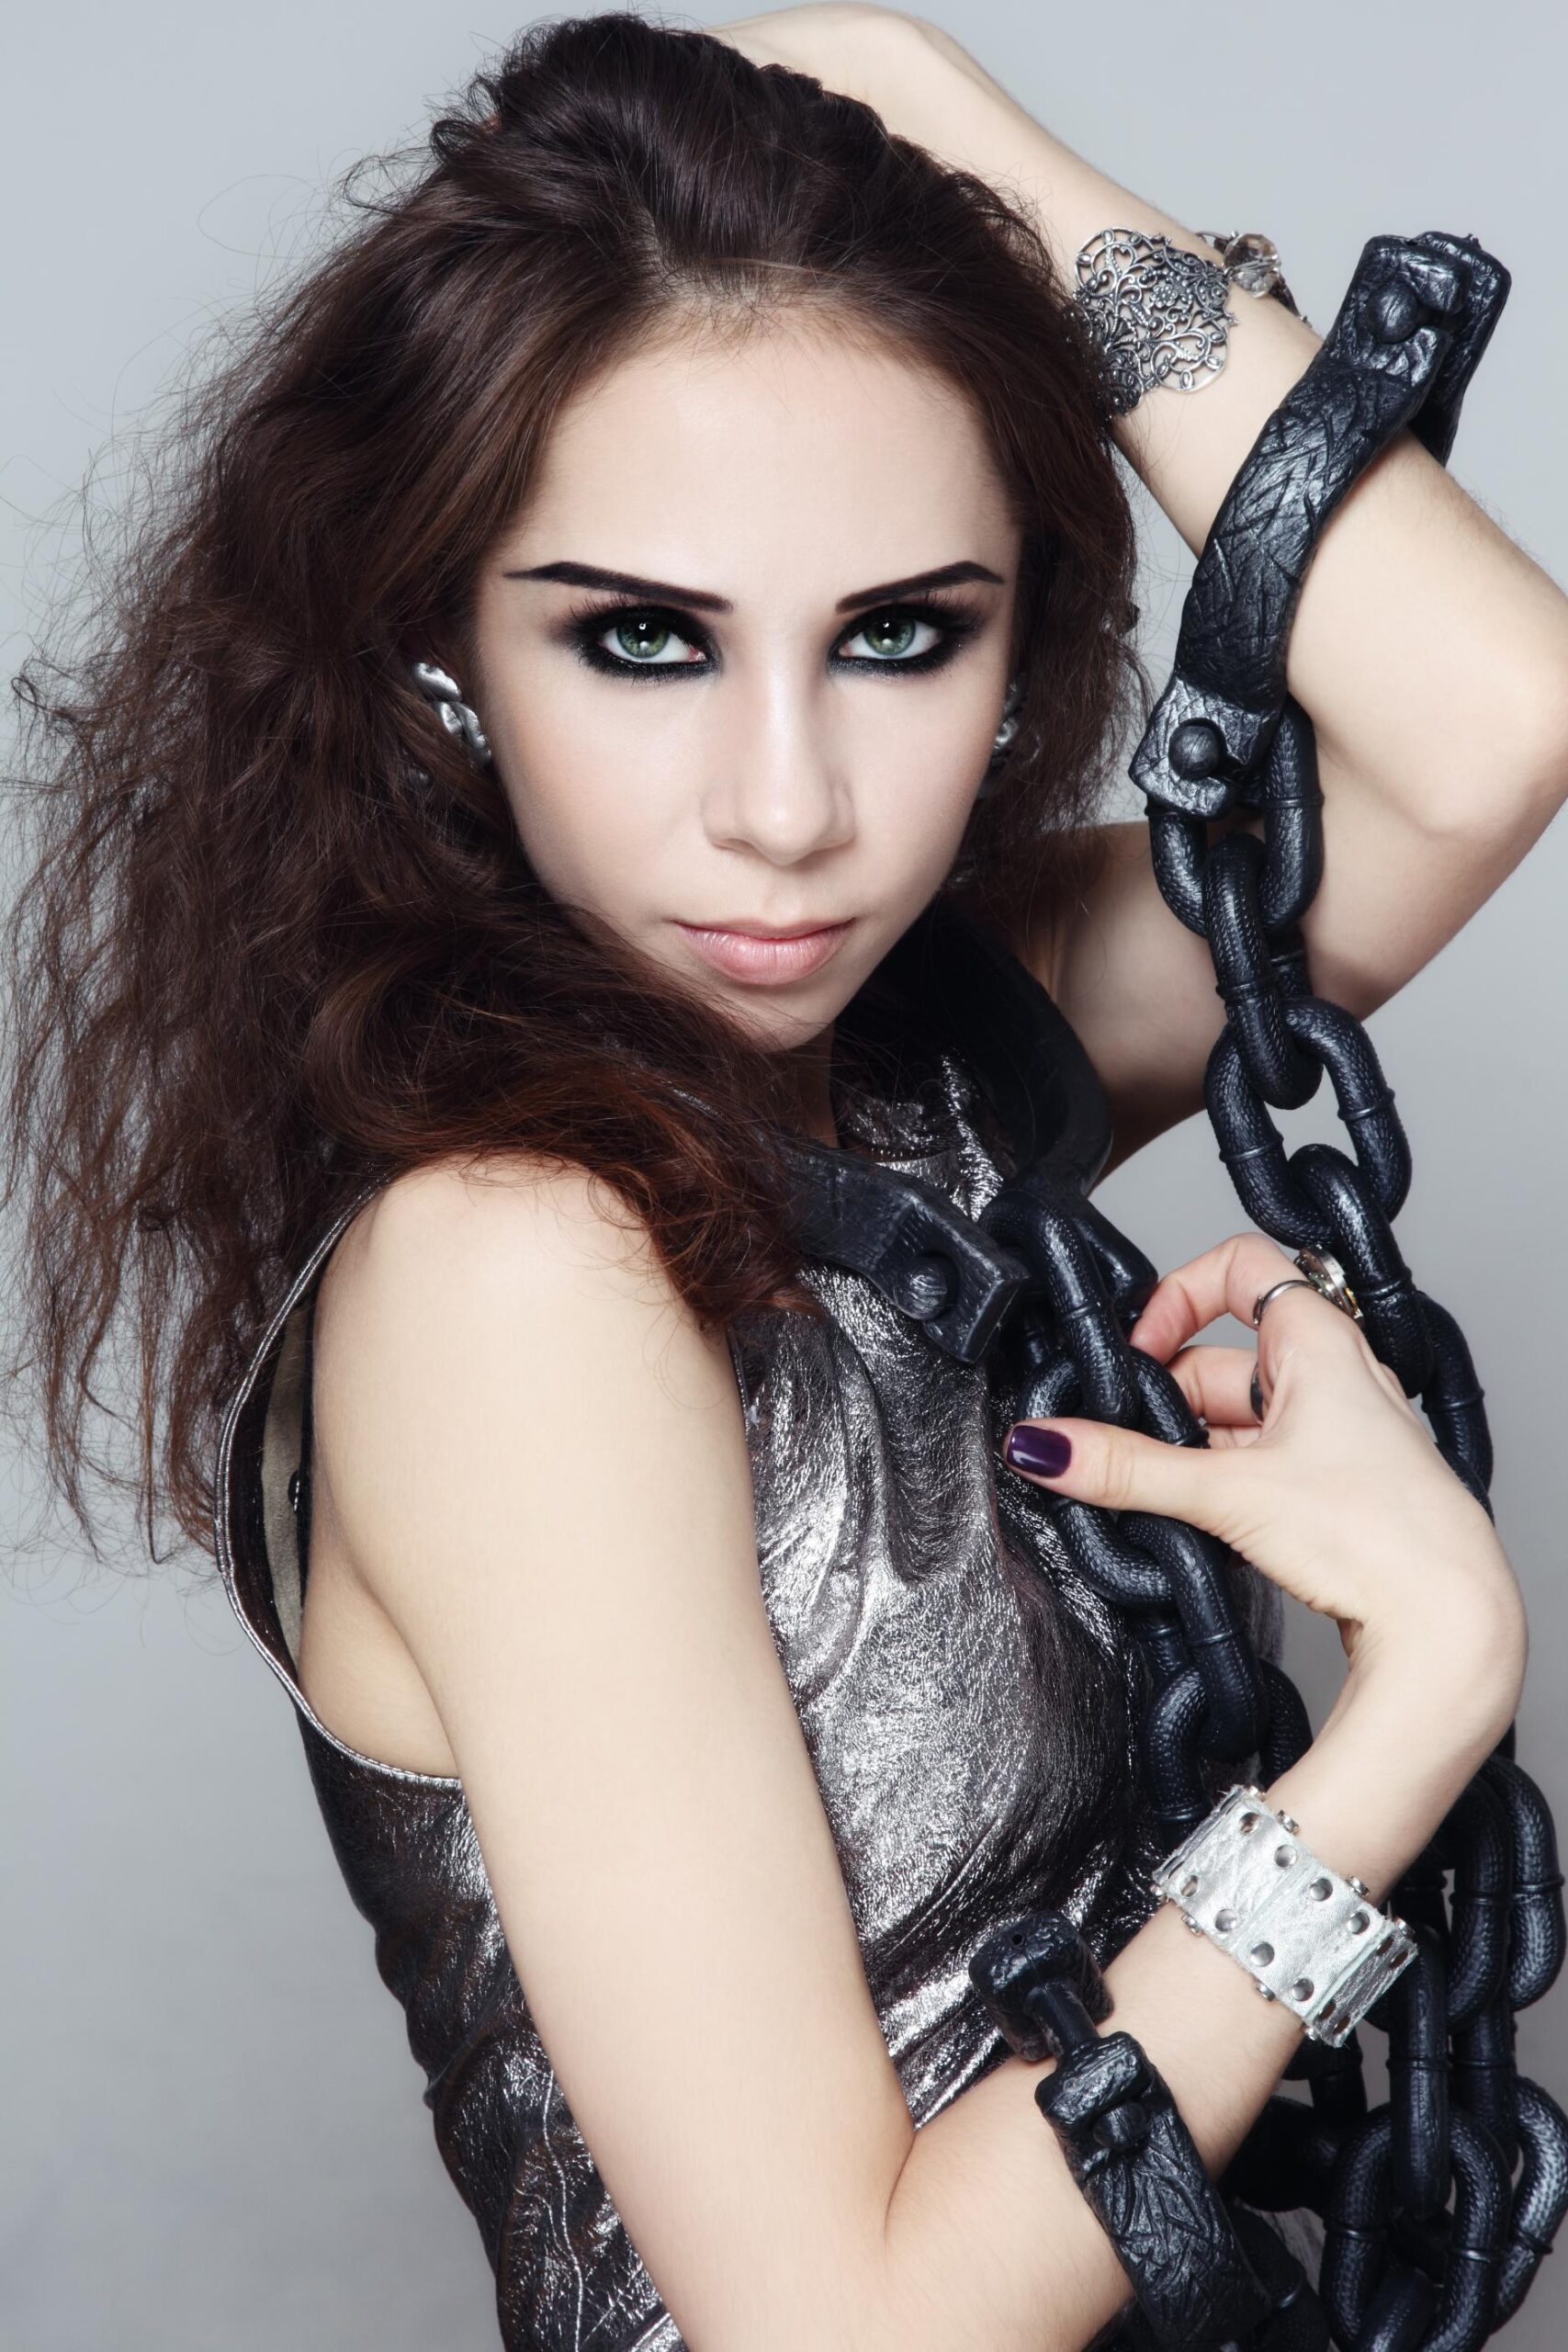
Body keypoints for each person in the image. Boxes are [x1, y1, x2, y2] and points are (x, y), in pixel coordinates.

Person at [6, 7, 1563, 2347]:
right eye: (642, 638)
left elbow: (1484, 721)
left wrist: (909, 103)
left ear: (1019, 629)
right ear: (438, 640)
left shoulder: (920, 1050)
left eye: (898, 635)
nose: (786, 809)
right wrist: (1412, 1701)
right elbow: (844, 2323)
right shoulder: (511, 1267)